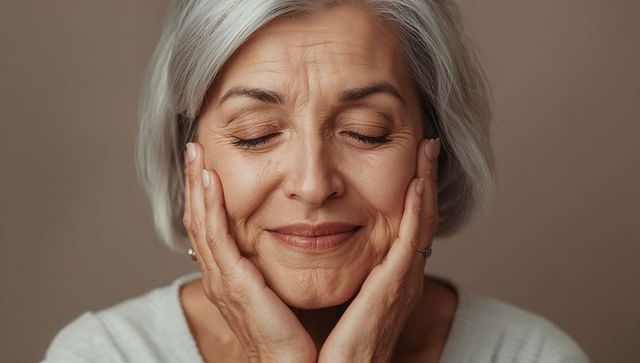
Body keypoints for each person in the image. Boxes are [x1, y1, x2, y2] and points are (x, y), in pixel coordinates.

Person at [42, 1, 592, 362]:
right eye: (256, 134)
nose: (312, 183)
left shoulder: (529, 355)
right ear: (186, 153)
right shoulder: (104, 353)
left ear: (437, 149)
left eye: (366, 133)